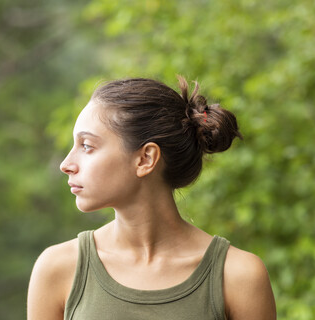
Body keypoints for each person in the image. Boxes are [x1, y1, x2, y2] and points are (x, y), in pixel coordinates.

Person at [27, 76, 276, 320]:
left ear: (145, 159)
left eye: (87, 146)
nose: (66, 164)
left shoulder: (239, 276)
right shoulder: (57, 269)